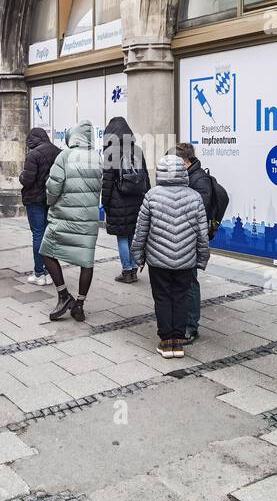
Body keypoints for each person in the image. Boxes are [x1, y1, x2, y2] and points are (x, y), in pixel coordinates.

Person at [132, 154, 210, 359]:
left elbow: (141, 230)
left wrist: (137, 256)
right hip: (186, 259)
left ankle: (166, 342)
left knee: (163, 298)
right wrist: (202, 259)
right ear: (184, 172)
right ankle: (179, 342)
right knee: (181, 298)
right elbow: (202, 233)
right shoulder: (194, 197)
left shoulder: (152, 195)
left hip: (159, 259)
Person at [38, 120, 102, 320]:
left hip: (64, 215)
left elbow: (53, 187)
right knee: (86, 260)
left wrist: (50, 202)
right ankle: (80, 305)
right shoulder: (97, 157)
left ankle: (63, 294)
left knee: (47, 252)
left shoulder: (65, 156)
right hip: (89, 217)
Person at [172, 142, 214, 343]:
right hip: (178, 235)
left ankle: (191, 326)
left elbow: (199, 211)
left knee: (189, 282)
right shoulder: (186, 176)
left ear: (184, 161)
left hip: (190, 237)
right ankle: (181, 319)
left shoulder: (199, 180)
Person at [100, 117, 149, 285]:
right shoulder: (138, 150)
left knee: (122, 236)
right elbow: (146, 178)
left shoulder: (110, 153)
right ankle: (134, 268)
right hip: (137, 200)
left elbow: (106, 183)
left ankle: (127, 271)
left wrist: (105, 204)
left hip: (117, 201)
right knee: (133, 236)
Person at [19, 127, 60, 285]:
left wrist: (21, 176)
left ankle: (39, 273)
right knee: (50, 235)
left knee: (38, 234)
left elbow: (27, 180)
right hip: (52, 199)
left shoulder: (33, 154)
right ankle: (51, 273)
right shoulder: (58, 151)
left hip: (35, 199)